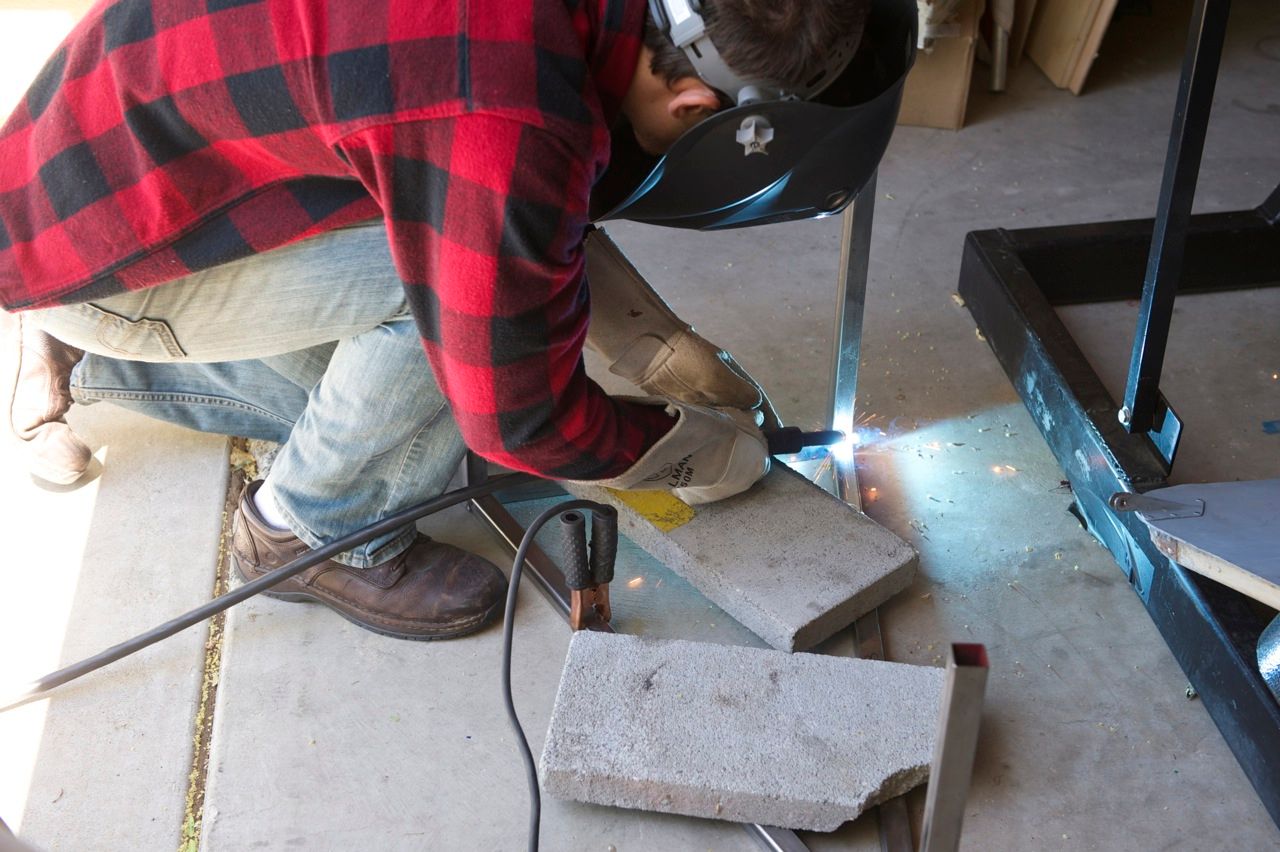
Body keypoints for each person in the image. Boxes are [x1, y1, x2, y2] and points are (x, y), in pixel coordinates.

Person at [0, 0, 870, 640]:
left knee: (440, 337)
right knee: (453, 331)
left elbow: (525, 204)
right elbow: (522, 418)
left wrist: (659, 348)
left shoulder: (554, 41)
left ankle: (102, 354)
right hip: (102, 243)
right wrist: (683, 448)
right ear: (696, 111)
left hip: (85, 154)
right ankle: (308, 528)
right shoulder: (509, 111)